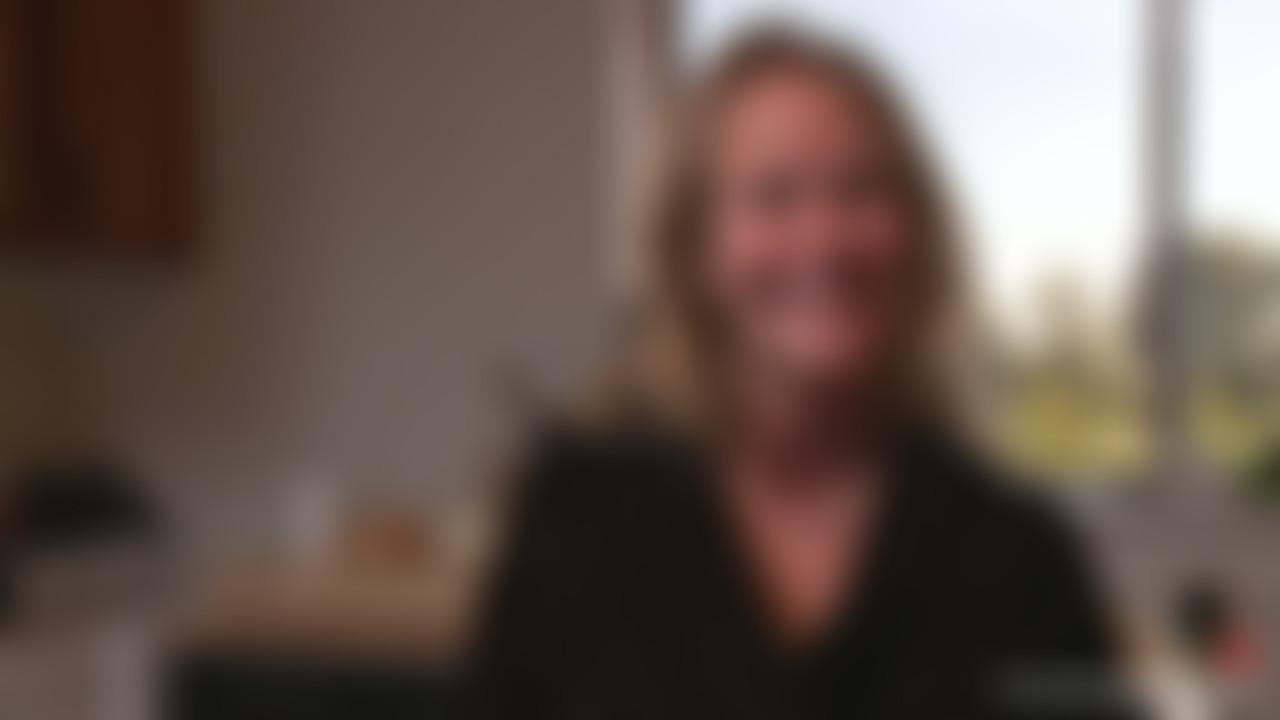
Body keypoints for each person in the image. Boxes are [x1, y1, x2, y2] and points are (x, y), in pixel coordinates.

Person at [465, 29, 1139, 720]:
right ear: (695, 250)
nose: (824, 237)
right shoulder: (579, 516)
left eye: (860, 190)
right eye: (774, 196)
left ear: (918, 235)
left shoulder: (1018, 558)